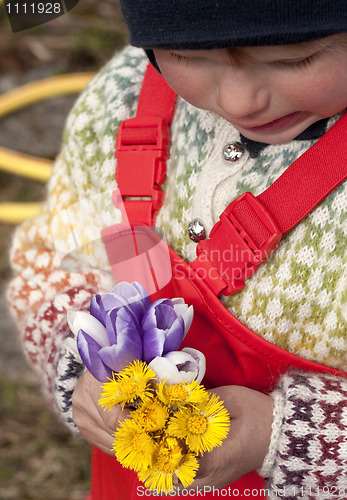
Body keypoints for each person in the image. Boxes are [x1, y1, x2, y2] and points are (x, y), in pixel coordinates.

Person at [7, 0, 347, 498]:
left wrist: (289, 435)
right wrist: (76, 359)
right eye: (188, 55)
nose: (239, 100)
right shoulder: (120, 103)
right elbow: (51, 255)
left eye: (293, 59)